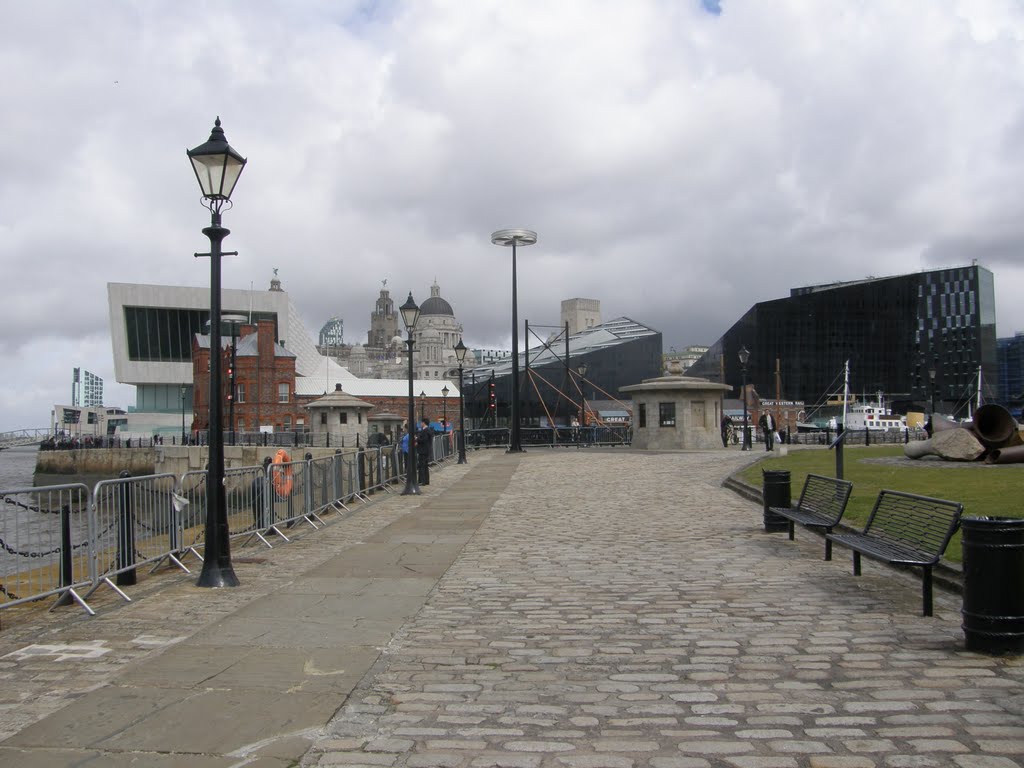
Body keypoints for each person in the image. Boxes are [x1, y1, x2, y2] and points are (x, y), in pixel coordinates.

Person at [417, 417, 433, 486]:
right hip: (426, 450)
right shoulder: (428, 430)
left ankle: (422, 481)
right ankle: (426, 480)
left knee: (422, 465)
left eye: (421, 422)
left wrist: (417, 439)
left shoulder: (425, 430)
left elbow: (424, 440)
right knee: (425, 466)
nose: (421, 424)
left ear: (424, 423)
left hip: (423, 450)